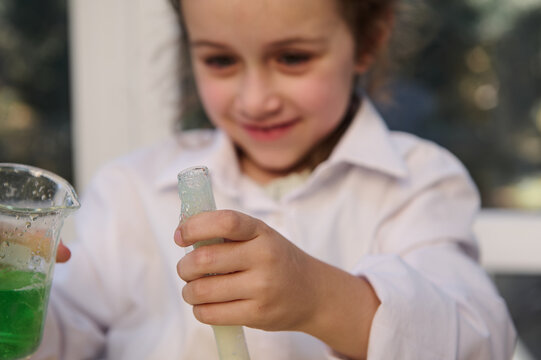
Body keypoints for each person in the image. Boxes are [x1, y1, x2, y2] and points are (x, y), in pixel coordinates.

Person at [36, 0, 516, 359]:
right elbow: (67, 335)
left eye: (292, 58)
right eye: (220, 61)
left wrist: (319, 297)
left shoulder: (418, 183)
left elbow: (480, 339)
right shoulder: (131, 189)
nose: (255, 99)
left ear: (368, 40)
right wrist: (16, 296)